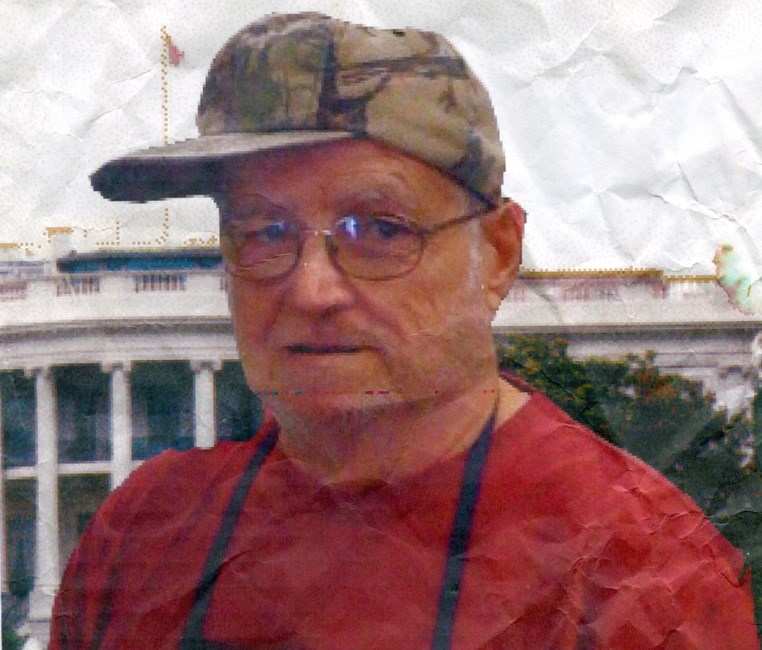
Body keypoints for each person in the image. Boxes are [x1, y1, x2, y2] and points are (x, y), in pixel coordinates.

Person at [50, 12, 758, 649]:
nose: (312, 290)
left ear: (498, 255)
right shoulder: (141, 536)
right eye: (265, 231)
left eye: (381, 230)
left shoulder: (640, 575)